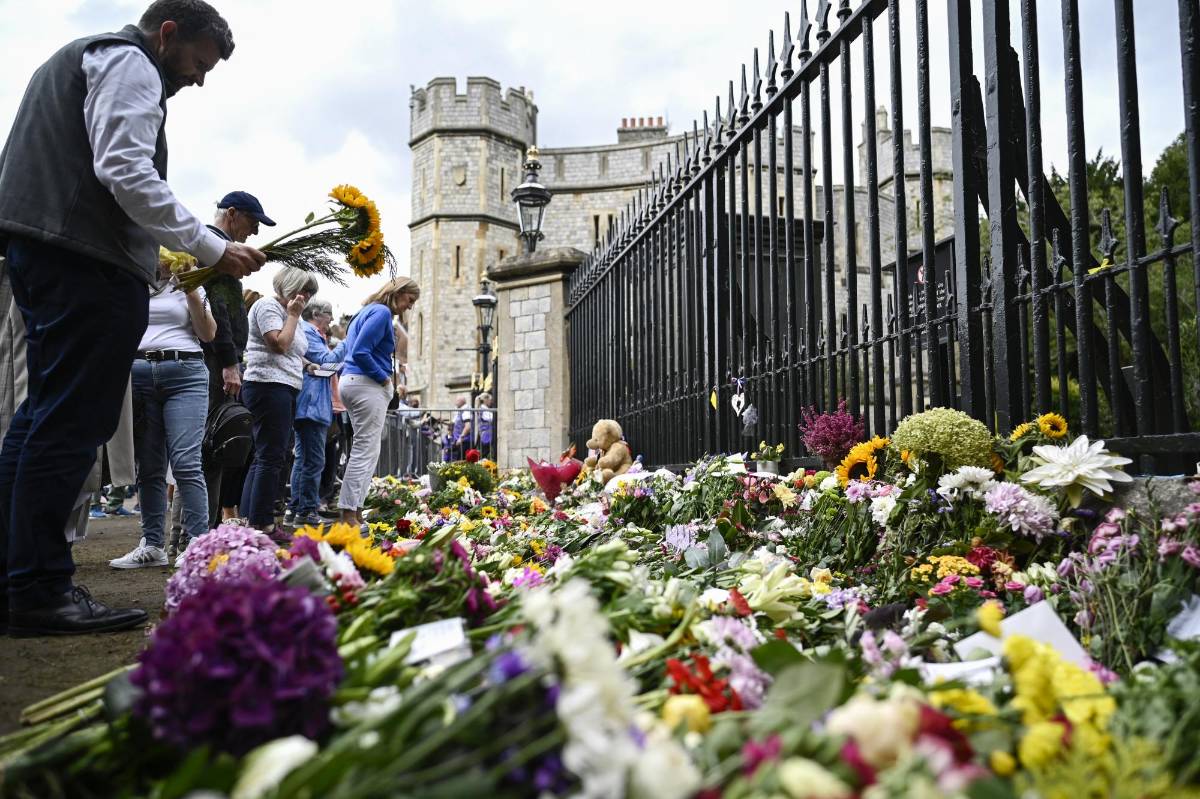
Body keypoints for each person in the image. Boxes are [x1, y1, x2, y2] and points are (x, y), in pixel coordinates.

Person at [0, 0, 265, 637]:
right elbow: (123, 167)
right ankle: (37, 587)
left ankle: (19, 575)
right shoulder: (129, 60)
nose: (198, 80)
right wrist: (212, 246)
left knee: (41, 415)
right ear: (167, 33)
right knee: (71, 421)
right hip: (83, 258)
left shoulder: (83, 59)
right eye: (198, 64)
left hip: (44, 248)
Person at [111, 255, 216, 568]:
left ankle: (198, 542)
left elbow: (208, 333)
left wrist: (191, 290)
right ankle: (153, 544)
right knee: (149, 465)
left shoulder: (188, 284)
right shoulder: (133, 279)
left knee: (185, 461)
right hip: (139, 371)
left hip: (185, 370)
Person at [201, 191, 274, 525]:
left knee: (217, 444)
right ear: (232, 214)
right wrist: (230, 362)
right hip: (216, 360)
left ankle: (207, 525)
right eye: (253, 222)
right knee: (215, 443)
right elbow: (219, 310)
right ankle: (202, 529)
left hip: (220, 358)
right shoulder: (216, 250)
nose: (255, 233)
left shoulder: (214, 247)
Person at [240, 268, 317, 536]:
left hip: (284, 387)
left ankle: (253, 519)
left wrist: (307, 365)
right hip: (267, 386)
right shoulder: (268, 306)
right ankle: (262, 523)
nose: (306, 297)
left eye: (310, 293)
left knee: (271, 456)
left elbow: (292, 351)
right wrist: (294, 315)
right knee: (270, 457)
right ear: (291, 286)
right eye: (304, 290)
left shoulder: (286, 312)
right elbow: (278, 345)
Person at [338, 277, 420, 527]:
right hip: (365, 384)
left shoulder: (367, 311)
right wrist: (384, 379)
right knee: (365, 451)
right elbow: (361, 351)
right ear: (399, 292)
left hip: (353, 382)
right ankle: (349, 514)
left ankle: (355, 509)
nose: (409, 306)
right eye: (410, 300)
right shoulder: (382, 312)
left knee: (367, 451)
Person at [286, 299, 343, 527]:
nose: (331, 319)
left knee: (303, 460)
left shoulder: (309, 332)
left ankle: (295, 510)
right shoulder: (310, 332)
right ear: (318, 314)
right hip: (312, 404)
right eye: (329, 314)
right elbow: (327, 360)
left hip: (310, 403)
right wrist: (347, 343)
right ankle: (307, 511)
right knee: (314, 461)